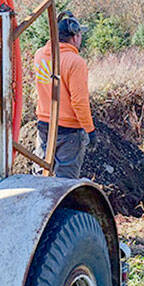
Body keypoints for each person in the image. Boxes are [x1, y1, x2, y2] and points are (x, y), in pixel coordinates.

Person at [34, 14, 96, 178]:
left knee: (40, 176)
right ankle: (63, 204)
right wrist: (90, 130)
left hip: (43, 125)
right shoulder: (76, 62)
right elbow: (79, 102)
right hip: (68, 131)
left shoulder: (39, 55)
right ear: (75, 37)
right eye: (80, 35)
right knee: (65, 182)